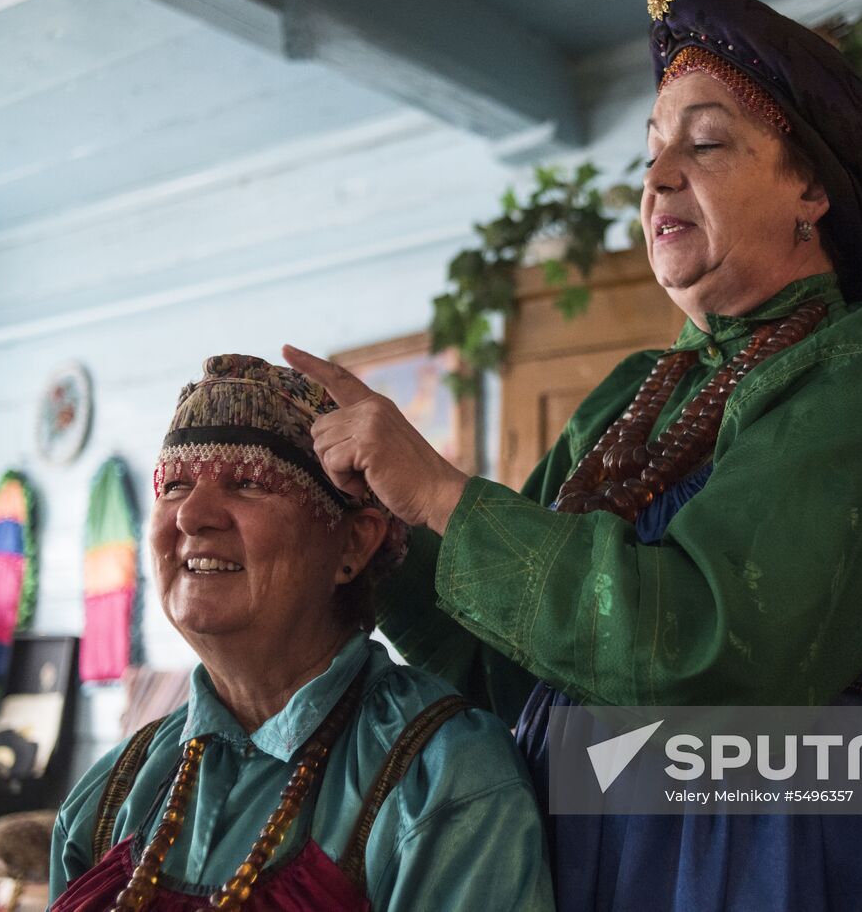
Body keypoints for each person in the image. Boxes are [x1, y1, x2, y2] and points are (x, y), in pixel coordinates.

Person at [284, 0, 862, 912]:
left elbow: (717, 648)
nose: (659, 175)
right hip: (595, 851)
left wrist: (441, 495)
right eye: (653, 150)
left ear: (812, 190)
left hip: (784, 854)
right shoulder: (635, 393)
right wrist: (382, 527)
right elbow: (501, 663)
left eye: (706, 141)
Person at [48, 354, 554, 911]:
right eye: (174, 485)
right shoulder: (107, 795)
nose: (192, 516)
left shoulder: (444, 777)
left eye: (247, 483)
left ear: (354, 545)